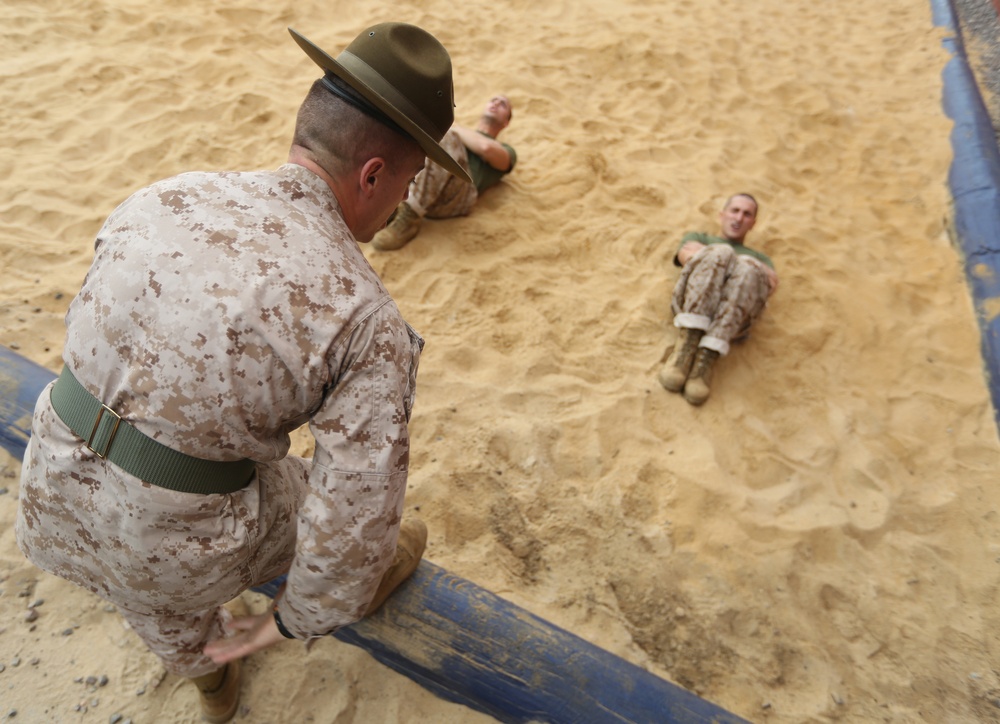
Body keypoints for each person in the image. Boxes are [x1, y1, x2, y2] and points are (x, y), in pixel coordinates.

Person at [15, 22, 471, 723]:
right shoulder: (363, 318)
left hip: (48, 490)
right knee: (370, 537)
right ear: (373, 174)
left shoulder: (161, 197)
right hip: (167, 546)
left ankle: (207, 680)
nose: (403, 203)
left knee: (165, 496)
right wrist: (294, 619)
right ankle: (233, 651)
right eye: (409, 182)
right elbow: (351, 529)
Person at [658, 193, 778, 405]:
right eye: (735, 211)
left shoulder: (760, 258)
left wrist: (745, 266)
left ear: (753, 223)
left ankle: (706, 358)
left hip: (732, 322)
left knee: (748, 267)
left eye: (747, 214)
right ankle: (686, 348)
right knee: (722, 253)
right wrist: (723, 257)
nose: (739, 218)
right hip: (690, 305)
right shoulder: (700, 237)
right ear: (722, 215)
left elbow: (768, 284)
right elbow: (687, 255)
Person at [371, 94, 515, 250]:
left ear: (506, 122)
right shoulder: (460, 134)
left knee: (444, 134)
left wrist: (454, 129)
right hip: (425, 189)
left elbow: (485, 149)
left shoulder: (506, 150)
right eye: (493, 100)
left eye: (503, 105)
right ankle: (394, 205)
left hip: (457, 198)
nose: (496, 103)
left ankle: (409, 217)